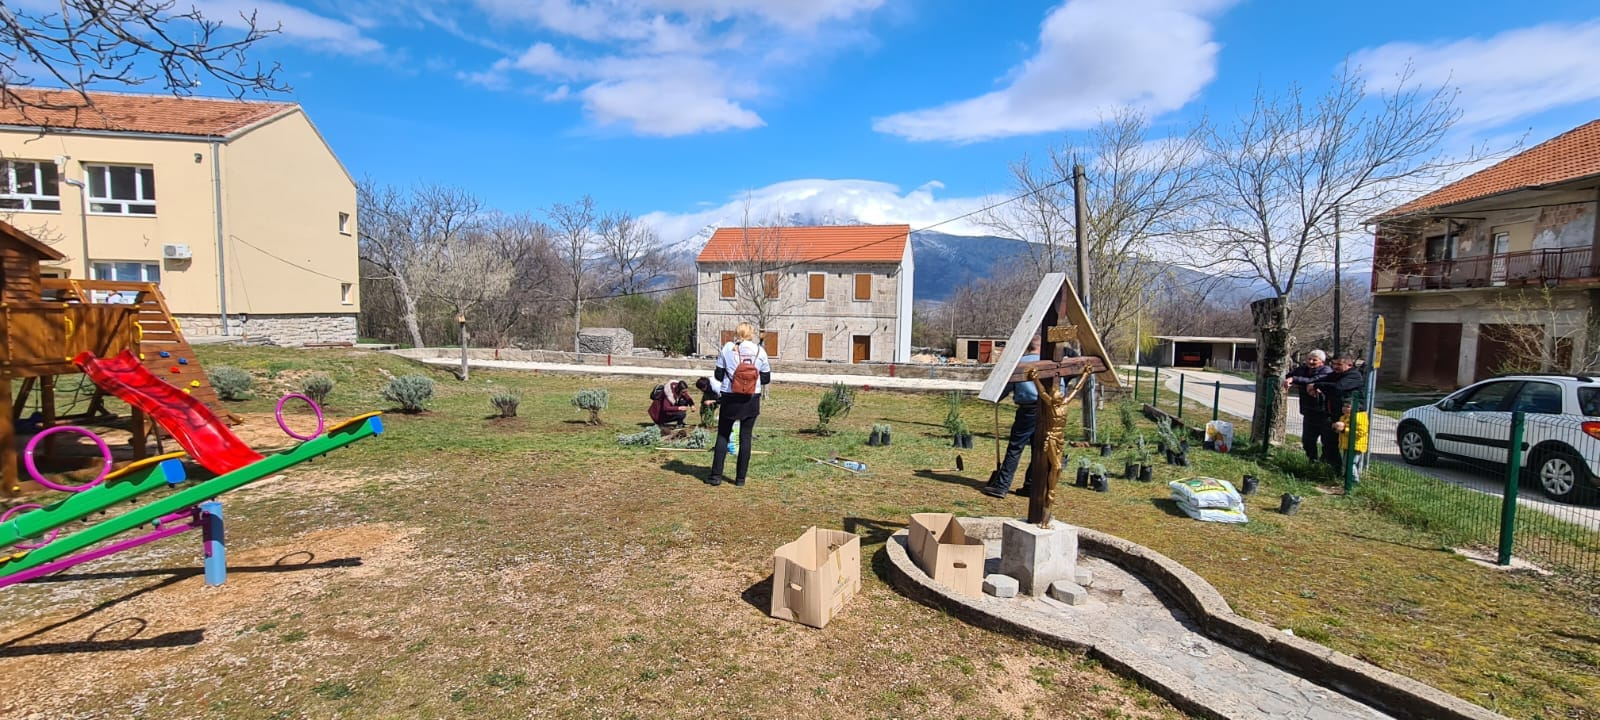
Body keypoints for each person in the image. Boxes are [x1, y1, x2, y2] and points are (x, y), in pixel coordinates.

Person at [980, 336, 1073, 498]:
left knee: (1016, 448)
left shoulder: (1020, 365)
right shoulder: (1055, 364)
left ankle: (1002, 486)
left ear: (1028, 347)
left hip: (1029, 409)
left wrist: (996, 397)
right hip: (1052, 410)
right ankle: (1031, 486)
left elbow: (1006, 386)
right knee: (1040, 448)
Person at [706, 322, 771, 487]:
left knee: (723, 435)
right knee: (745, 437)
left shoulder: (727, 348)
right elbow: (766, 378)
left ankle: (715, 476)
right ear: (752, 334)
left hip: (730, 397)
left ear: (737, 333)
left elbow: (719, 375)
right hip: (751, 398)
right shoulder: (760, 351)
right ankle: (740, 479)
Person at [1309, 355, 1366, 471]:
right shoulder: (1336, 375)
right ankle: (1332, 468)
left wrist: (1317, 385)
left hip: (1351, 417)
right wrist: (1312, 384)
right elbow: (1323, 380)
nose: (1335, 367)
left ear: (1349, 365)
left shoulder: (1354, 376)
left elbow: (1338, 388)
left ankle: (1349, 477)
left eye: (1339, 364)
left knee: (1349, 447)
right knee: (1329, 442)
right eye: (1333, 364)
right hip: (1334, 414)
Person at [1283, 349, 1333, 464]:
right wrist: (1289, 380)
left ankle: (1326, 463)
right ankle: (1312, 461)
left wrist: (1295, 379)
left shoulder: (1326, 371)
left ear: (1322, 361)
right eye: (1309, 359)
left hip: (1324, 413)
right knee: (1307, 440)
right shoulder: (1302, 369)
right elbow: (1289, 375)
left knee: (1327, 441)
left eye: (1314, 360)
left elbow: (1313, 380)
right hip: (1309, 411)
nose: (1311, 361)